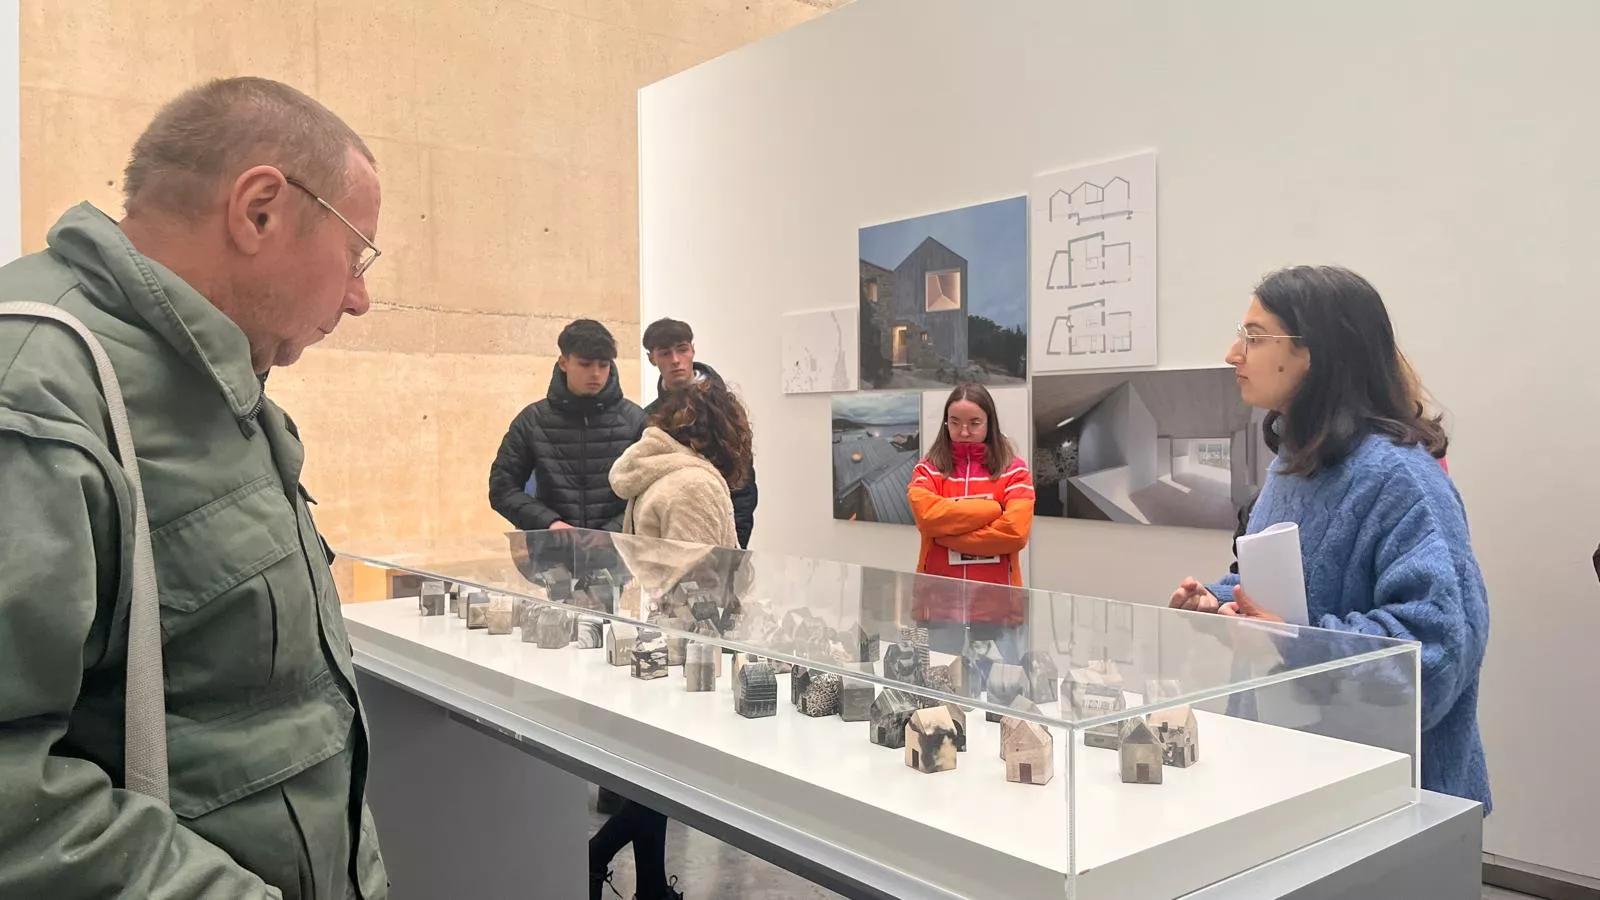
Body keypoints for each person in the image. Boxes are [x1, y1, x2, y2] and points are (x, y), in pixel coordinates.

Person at [0, 78, 386, 897]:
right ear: (259, 211)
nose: (359, 298)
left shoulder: (212, 385)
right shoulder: (35, 388)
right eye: (355, 255)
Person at [1169, 265, 1491, 810]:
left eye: (1253, 336)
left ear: (1311, 353)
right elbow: (1292, 587)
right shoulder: (1297, 463)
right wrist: (1225, 600)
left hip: (1392, 797)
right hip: (1295, 771)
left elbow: (1437, 654)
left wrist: (1293, 642)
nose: (1231, 353)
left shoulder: (1400, 478)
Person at [592, 380, 755, 900]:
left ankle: (652, 886)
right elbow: (707, 574)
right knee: (671, 773)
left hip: (653, 630)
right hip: (688, 642)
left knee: (656, 768)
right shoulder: (696, 485)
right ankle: (599, 855)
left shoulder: (653, 472)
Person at [908, 383, 1035, 657]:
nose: (964, 432)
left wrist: (946, 536)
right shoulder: (927, 468)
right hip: (939, 605)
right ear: (946, 423)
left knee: (1002, 689)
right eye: (955, 422)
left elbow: (1014, 532)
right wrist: (991, 510)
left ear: (989, 422)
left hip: (997, 605)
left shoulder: (1015, 469)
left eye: (974, 423)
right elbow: (928, 517)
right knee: (939, 689)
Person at [489, 318, 645, 534]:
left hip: (620, 554)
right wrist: (549, 524)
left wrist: (615, 530)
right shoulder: (532, 420)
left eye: (604, 365)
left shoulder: (636, 420)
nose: (596, 374)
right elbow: (502, 488)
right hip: (551, 554)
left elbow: (652, 491)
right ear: (564, 363)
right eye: (585, 364)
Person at [641, 317, 758, 548]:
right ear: (652, 358)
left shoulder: (724, 406)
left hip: (723, 533)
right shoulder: (648, 418)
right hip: (669, 540)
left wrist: (735, 546)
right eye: (665, 353)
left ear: (693, 350)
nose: (676, 360)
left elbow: (741, 480)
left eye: (682, 350)